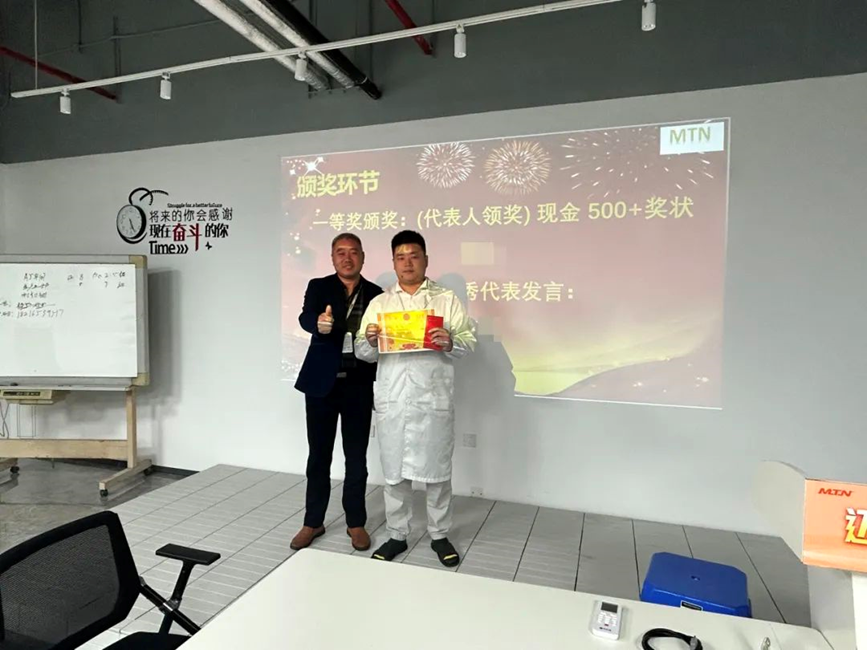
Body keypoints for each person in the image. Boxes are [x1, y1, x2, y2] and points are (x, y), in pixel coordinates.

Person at [355, 230, 476, 566]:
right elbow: (362, 351)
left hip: (432, 400)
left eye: (414, 256)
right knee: (394, 474)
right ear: (393, 262)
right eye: (401, 257)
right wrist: (369, 339)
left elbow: (468, 342)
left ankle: (439, 535)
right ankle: (397, 534)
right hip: (394, 399)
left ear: (426, 260)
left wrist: (450, 341)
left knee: (438, 473)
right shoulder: (381, 304)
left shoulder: (446, 300)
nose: (407, 263)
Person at [292, 233, 383, 552]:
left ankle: (355, 522)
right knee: (319, 456)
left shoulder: (376, 294)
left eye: (353, 252)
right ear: (332, 258)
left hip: (358, 384)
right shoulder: (319, 286)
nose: (347, 257)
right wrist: (318, 323)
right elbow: (305, 317)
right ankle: (313, 521)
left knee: (356, 457)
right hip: (321, 384)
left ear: (363, 257)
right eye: (340, 252)